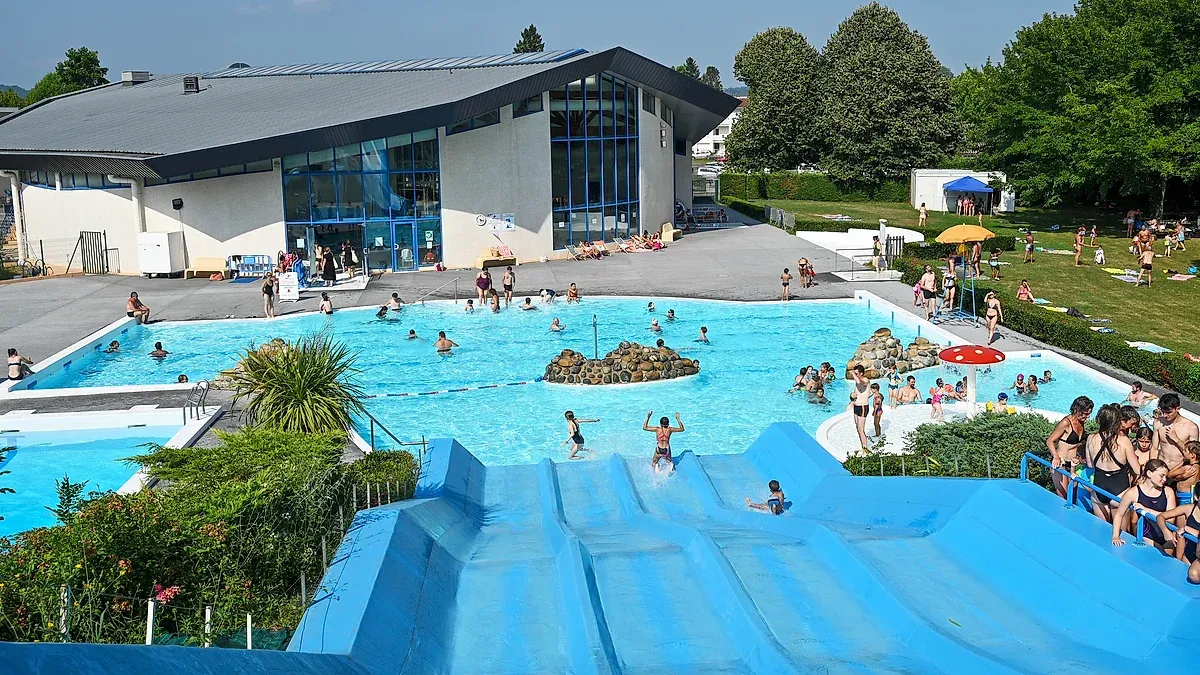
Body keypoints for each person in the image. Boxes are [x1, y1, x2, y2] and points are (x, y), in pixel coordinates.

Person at [1086, 403, 1140, 523]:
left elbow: (1090, 464)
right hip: (1119, 489)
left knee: (1101, 528)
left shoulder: (1091, 438)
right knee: (1120, 532)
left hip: (1099, 487)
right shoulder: (1124, 441)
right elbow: (1137, 470)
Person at [1111, 459, 1176, 551]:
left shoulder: (1168, 491)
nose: (1164, 479)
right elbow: (1119, 514)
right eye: (1162, 476)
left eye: (1166, 476)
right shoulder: (1133, 493)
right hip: (1147, 536)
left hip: (1167, 536)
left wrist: (1146, 510)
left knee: (1168, 562)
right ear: (1149, 473)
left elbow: (1171, 520)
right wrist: (1115, 536)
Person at [1048, 396, 1093, 498]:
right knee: (1063, 496)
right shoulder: (1066, 423)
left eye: (1089, 414)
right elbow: (1050, 440)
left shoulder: (1081, 423)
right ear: (1077, 410)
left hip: (1074, 465)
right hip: (1061, 463)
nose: (1087, 417)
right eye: (1085, 414)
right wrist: (1055, 456)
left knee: (1072, 496)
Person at [1153, 394, 1200, 473]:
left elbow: (1193, 455)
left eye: (1168, 412)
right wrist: (1152, 466)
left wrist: (1176, 439)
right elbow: (1154, 448)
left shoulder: (1191, 427)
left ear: (1177, 409)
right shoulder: (1158, 422)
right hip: (1160, 468)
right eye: (1163, 412)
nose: (1165, 415)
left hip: (1177, 471)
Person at [850, 365, 872, 451]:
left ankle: (865, 449)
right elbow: (857, 392)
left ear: (861, 373)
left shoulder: (866, 380)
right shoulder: (857, 381)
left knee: (861, 429)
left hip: (863, 407)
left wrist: (853, 375)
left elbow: (860, 383)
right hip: (856, 406)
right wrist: (852, 395)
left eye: (856, 373)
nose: (855, 375)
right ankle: (862, 445)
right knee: (857, 428)